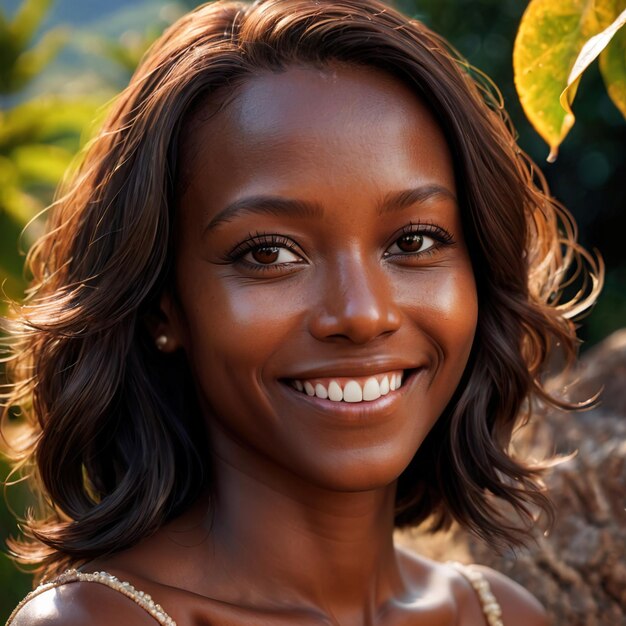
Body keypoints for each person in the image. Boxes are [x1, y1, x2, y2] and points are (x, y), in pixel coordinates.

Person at [1, 0, 601, 624]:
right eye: (269, 253)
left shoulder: (501, 613)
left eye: (414, 242)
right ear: (163, 306)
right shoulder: (99, 621)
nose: (362, 314)